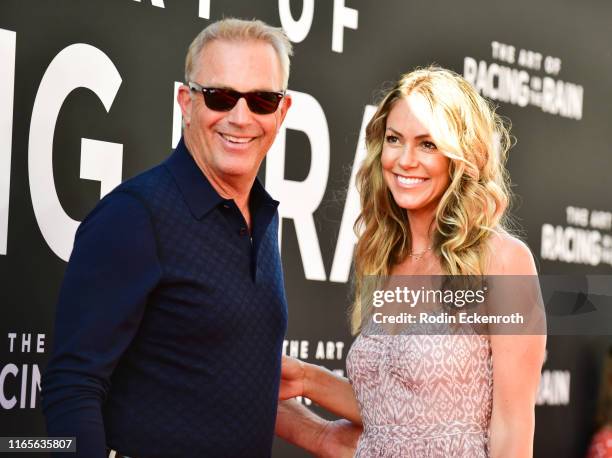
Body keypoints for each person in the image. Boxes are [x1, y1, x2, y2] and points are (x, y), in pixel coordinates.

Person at [41, 18, 293, 458]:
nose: (240, 117)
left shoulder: (263, 216)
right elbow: (72, 385)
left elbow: (224, 384)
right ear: (186, 102)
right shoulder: (134, 216)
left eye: (261, 100)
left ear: (282, 111)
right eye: (220, 96)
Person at [277, 67, 546, 457]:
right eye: (394, 139)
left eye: (428, 145)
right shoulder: (384, 256)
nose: (405, 160)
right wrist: (304, 378)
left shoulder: (503, 262)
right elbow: (398, 410)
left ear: (462, 155)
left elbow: (512, 426)